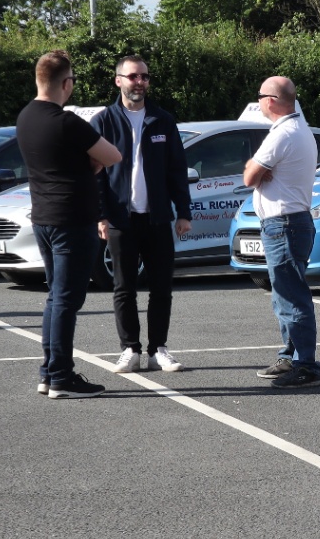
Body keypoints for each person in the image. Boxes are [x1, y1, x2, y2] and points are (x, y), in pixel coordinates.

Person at [16, 50, 121, 399]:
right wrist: (88, 166)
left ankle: (49, 372)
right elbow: (112, 156)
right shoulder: (68, 122)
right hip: (72, 219)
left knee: (55, 297)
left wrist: (81, 164)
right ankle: (61, 374)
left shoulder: (26, 117)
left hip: (43, 217)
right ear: (67, 83)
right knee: (66, 300)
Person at [92, 56, 191, 373]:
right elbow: (95, 175)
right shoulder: (104, 121)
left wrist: (183, 212)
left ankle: (157, 350)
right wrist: (101, 215)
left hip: (158, 218)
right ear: (118, 80)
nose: (140, 82)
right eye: (133, 76)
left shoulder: (162, 120)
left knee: (162, 287)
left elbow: (177, 170)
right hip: (121, 220)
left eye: (145, 77)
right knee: (124, 288)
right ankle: (129, 350)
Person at [244, 77, 320, 388]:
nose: (259, 101)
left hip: (285, 224)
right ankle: (290, 356)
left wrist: (257, 168)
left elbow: (250, 176)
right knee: (284, 295)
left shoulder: (283, 134)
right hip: (290, 223)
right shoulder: (297, 129)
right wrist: (261, 171)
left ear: (272, 100)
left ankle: (306, 365)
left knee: (291, 296)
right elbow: (257, 174)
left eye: (261, 96)